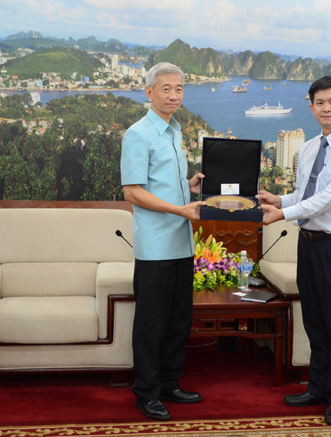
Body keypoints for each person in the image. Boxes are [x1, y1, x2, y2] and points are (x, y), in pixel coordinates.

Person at [257, 76, 331, 426]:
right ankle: (318, 387)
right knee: (315, 322)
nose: (326, 108)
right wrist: (280, 200)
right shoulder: (309, 148)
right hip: (307, 244)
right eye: (319, 103)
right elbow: (305, 195)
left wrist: (281, 215)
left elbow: (328, 199)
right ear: (311, 108)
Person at [120, 62, 206, 421]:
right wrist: (180, 209)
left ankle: (170, 383)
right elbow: (133, 192)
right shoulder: (138, 134)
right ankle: (147, 392)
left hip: (181, 243)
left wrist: (190, 186)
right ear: (149, 92)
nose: (174, 95)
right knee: (151, 324)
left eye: (179, 89)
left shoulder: (174, 131)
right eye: (166, 88)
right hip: (155, 246)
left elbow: (164, 184)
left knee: (179, 320)